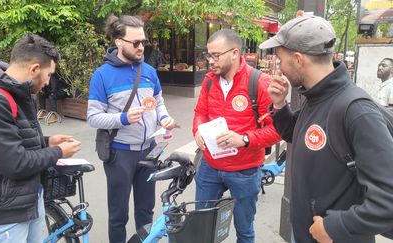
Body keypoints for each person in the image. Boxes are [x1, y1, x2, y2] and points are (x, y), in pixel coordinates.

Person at [261, 15, 393, 243]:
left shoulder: (357, 110)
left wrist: (334, 227)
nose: (279, 68)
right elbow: (298, 133)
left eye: (281, 60)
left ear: (299, 59)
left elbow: (388, 200)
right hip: (304, 231)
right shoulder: (317, 95)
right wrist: (280, 105)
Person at [0, 33, 81, 243]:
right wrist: (59, 152)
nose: (48, 82)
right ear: (34, 68)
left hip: (28, 200)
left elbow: (15, 140)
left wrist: (47, 142)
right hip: (3, 214)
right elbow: (15, 163)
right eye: (48, 75)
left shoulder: (17, 92)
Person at [87, 15, 175, 243]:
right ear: (118, 41)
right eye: (135, 42)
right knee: (118, 215)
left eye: (143, 42)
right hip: (120, 154)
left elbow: (159, 101)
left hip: (149, 150)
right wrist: (122, 118)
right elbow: (93, 117)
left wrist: (164, 118)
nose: (141, 47)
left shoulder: (148, 71)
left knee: (146, 212)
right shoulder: (101, 75)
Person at [192, 29, 281, 243]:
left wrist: (244, 139)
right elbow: (200, 113)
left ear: (234, 53)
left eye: (216, 55)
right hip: (210, 166)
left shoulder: (259, 82)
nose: (210, 61)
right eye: (208, 55)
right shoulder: (209, 81)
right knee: (202, 226)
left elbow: (277, 130)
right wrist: (197, 131)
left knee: (244, 229)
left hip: (245, 170)